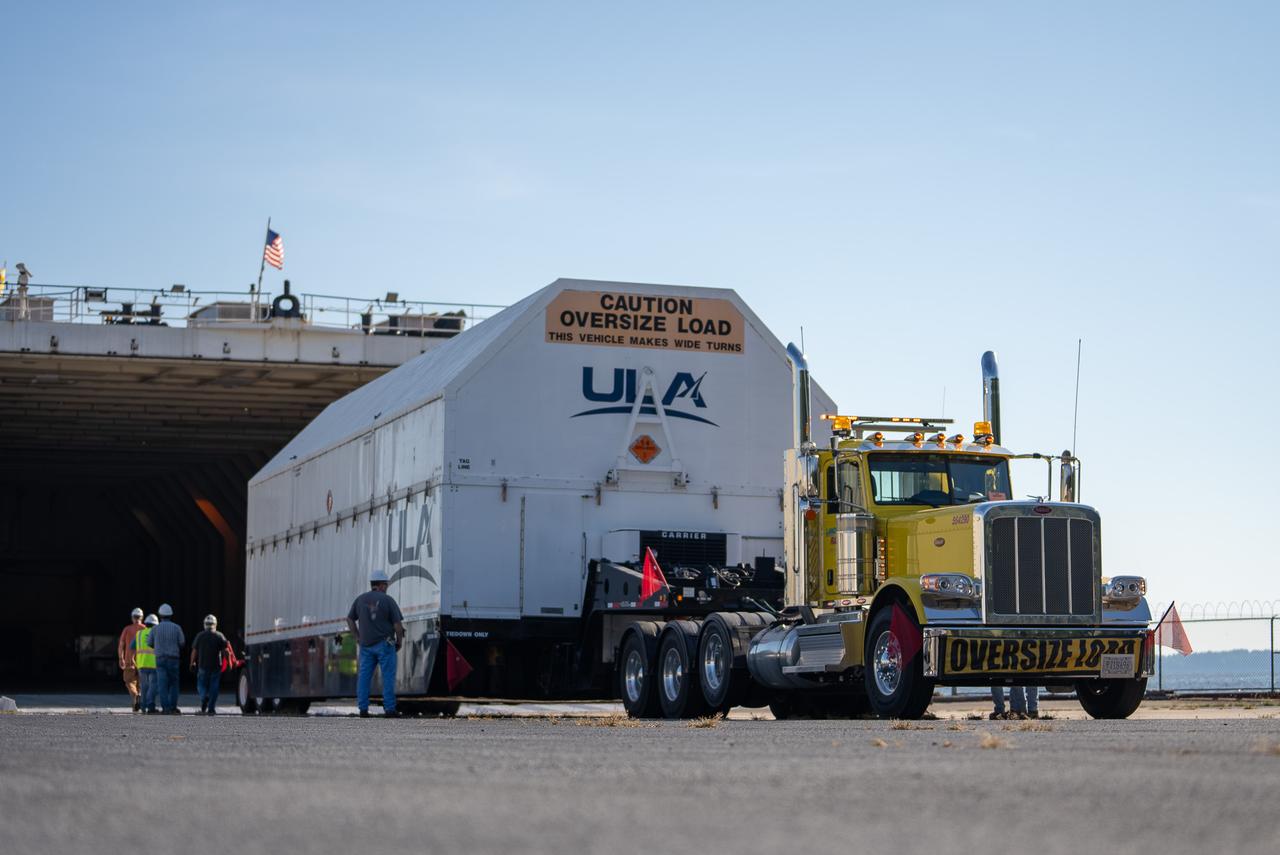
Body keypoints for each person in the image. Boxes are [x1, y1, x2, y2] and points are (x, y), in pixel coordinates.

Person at [346, 569, 405, 717]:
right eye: (386, 584)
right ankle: (390, 709)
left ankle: (363, 709)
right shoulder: (388, 600)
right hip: (385, 644)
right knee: (388, 677)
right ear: (382, 585)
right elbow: (397, 625)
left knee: (364, 677)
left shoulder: (360, 600)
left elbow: (350, 619)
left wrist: (357, 637)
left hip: (366, 646)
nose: (387, 587)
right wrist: (399, 641)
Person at [150, 603, 186, 714]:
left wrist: (159, 646)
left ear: (160, 615)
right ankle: (173, 707)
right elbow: (182, 642)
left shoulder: (155, 629)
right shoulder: (177, 627)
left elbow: (150, 643)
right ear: (171, 615)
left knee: (162, 684)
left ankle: (165, 708)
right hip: (173, 659)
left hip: (160, 659)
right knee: (174, 684)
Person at [190, 614, 229, 716]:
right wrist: (228, 663)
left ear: (205, 624)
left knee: (200, 685)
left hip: (202, 666)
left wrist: (192, 662)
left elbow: (194, 651)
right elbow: (226, 651)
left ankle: (204, 697)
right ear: (215, 624)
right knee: (214, 687)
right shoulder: (219, 635)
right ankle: (211, 708)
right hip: (216, 667)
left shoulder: (200, 636)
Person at [117, 608, 145, 712]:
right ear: (142, 617)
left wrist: (121, 658)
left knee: (129, 682)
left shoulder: (127, 629)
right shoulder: (145, 629)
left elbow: (121, 645)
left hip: (129, 661)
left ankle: (135, 696)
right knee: (141, 684)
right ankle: (137, 703)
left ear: (132, 617)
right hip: (143, 662)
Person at [134, 614, 159, 714]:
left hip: (142, 664)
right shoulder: (156, 633)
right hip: (153, 664)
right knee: (153, 686)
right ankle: (150, 705)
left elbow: (132, 646)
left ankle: (143, 707)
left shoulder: (139, 634)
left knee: (144, 686)